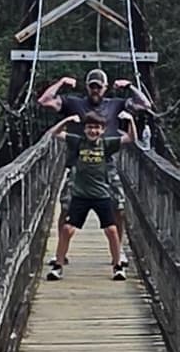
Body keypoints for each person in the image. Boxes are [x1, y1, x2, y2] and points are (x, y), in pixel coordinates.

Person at [37, 64, 137, 279]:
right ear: (87, 87)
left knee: (117, 210)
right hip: (77, 167)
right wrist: (62, 83)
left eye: (99, 86)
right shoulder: (73, 102)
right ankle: (60, 258)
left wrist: (130, 86)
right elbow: (44, 101)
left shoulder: (116, 104)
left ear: (105, 87)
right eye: (92, 86)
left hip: (106, 166)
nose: (95, 90)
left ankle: (118, 258)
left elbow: (146, 105)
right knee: (65, 211)